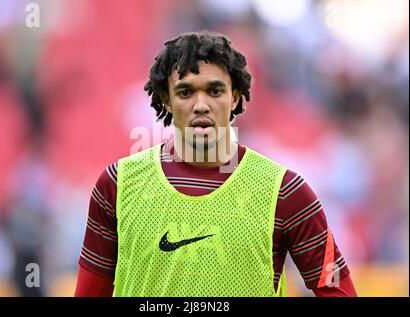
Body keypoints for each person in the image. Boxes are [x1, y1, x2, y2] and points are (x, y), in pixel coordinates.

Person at [74, 31, 357, 297]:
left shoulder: (286, 192)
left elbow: (338, 289)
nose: (201, 105)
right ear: (167, 100)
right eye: (185, 92)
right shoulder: (116, 185)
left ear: (234, 97)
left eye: (215, 91)